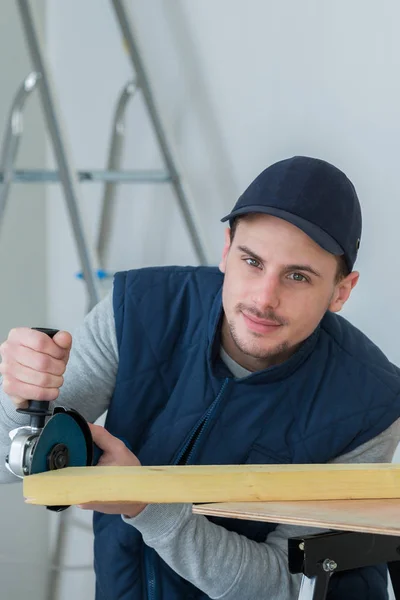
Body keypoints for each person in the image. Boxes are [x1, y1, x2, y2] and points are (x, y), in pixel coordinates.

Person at [0, 155, 399, 600]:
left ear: (341, 292)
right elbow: (14, 458)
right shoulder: (139, 310)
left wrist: (147, 503)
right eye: (252, 261)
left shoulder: (372, 404)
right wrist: (20, 393)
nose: (264, 299)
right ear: (227, 249)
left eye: (298, 276)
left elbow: (284, 586)